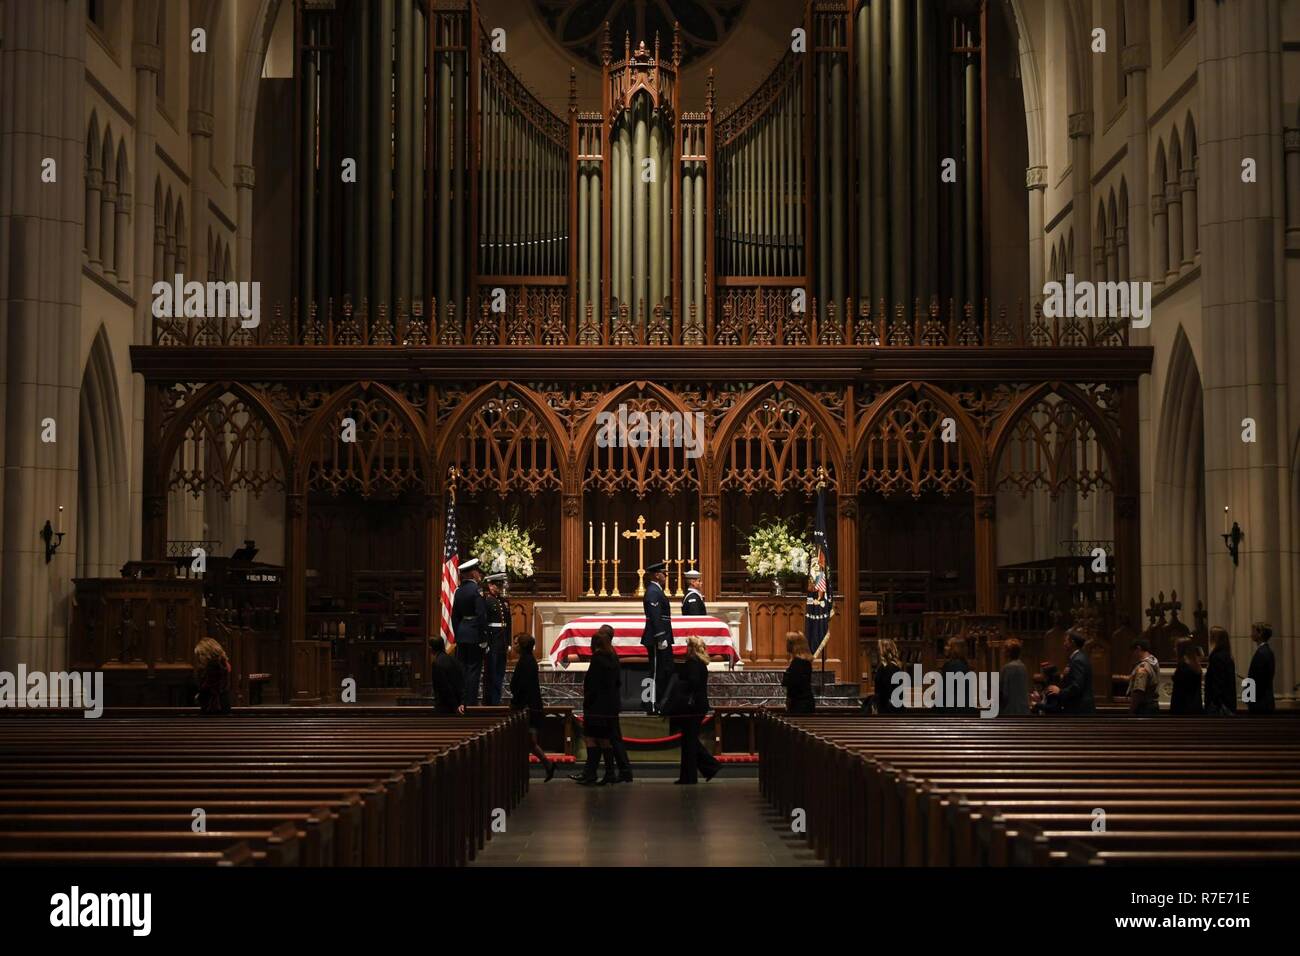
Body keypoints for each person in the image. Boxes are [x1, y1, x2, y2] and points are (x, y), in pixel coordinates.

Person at [572, 626, 623, 786]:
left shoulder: (597, 659)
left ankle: (591, 773)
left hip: (596, 706)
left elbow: (592, 684)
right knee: (605, 740)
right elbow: (617, 682)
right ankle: (609, 773)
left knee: (591, 739)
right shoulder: (613, 657)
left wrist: (587, 700)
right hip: (610, 705)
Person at [668, 635, 720, 784]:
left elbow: (693, 682)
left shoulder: (692, 663)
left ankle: (697, 773)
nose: (686, 649)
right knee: (689, 741)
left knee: (689, 742)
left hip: (692, 707)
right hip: (698, 705)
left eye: (687, 646)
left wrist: (679, 684)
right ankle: (697, 772)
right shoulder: (700, 663)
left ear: (691, 648)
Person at [509, 634, 555, 780]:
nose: (513, 645)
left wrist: (516, 703)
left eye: (516, 643)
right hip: (530, 705)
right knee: (528, 742)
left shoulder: (526, 662)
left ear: (521, 646)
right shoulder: (527, 660)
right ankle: (546, 764)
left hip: (527, 707)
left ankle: (524, 771)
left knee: (526, 741)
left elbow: (522, 686)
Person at [451, 557, 488, 706]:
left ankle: (461, 701)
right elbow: (481, 616)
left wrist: (458, 633)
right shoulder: (476, 590)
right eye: (477, 571)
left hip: (462, 634)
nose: (479, 574)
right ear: (473, 574)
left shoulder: (458, 591)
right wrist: (483, 637)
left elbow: (455, 616)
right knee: (473, 670)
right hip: (474, 636)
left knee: (463, 669)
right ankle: (470, 703)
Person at [641, 560, 675, 714]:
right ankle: (650, 705)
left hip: (661, 636)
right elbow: (655, 616)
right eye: (663, 573)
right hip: (656, 638)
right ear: (656, 575)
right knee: (655, 672)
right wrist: (661, 637)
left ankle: (655, 703)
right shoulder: (653, 592)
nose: (665, 576)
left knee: (662, 671)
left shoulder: (657, 591)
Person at [1050, 629, 1095, 715]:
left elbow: (1077, 686)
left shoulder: (1078, 660)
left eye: (1066, 641)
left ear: (1072, 643)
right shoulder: (1079, 657)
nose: (1064, 643)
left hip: (1079, 708)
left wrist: (1060, 692)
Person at [482, 572, 510, 705]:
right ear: (490, 585)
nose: (499, 588)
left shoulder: (504, 602)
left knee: (500, 672)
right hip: (492, 642)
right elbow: (484, 623)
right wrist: (486, 642)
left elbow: (508, 624)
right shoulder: (487, 601)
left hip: (502, 642)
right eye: (496, 585)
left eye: (500, 585)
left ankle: (496, 700)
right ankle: (490, 701)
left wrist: (508, 642)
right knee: (491, 673)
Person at [1203, 626, 1236, 715]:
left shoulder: (1217, 657)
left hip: (1218, 704)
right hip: (1227, 701)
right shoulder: (1227, 655)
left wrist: (1214, 701)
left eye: (1211, 636)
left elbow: (1217, 681)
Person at [193, 637, 232, 715]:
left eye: (202, 654)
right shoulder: (222, 663)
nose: (200, 657)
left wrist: (199, 696)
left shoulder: (214, 666)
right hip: (221, 703)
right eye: (199, 655)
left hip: (214, 706)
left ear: (209, 653)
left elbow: (208, 687)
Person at [781, 631, 816, 714]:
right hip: (805, 702)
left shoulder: (798, 663)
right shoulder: (805, 662)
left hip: (799, 705)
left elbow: (793, 685)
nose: (786, 645)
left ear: (794, 645)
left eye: (788, 642)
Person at [429, 636, 465, 715]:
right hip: (458, 705)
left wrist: (455, 706)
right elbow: (461, 683)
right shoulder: (454, 660)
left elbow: (444, 687)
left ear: (431, 649)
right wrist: (461, 702)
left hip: (445, 707)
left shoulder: (437, 663)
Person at [940, 637, 976, 714]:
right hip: (964, 706)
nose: (945, 648)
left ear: (955, 649)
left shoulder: (952, 665)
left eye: (948, 645)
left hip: (953, 708)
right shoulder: (963, 664)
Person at [1126, 637, 1161, 715]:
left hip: (1144, 708)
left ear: (1138, 648)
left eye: (1133, 651)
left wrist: (1131, 710)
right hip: (1153, 705)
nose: (1133, 655)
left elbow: (1138, 691)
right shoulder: (1153, 661)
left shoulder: (1143, 667)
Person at [1170, 638, 1204, 715]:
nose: (1174, 649)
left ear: (1181, 649)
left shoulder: (1183, 667)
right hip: (1195, 706)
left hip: (1183, 708)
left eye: (1176, 647)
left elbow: (1181, 692)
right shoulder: (1195, 664)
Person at [1247, 622, 1276, 714]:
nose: (1251, 634)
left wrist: (1248, 698)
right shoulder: (1267, 651)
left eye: (1253, 631)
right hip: (1264, 701)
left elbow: (1257, 680)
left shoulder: (1262, 653)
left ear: (1260, 634)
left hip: (1260, 703)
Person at [872, 638, 905, 714]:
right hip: (896, 707)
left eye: (878, 649)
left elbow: (884, 692)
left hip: (887, 709)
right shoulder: (896, 667)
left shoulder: (885, 668)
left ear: (883, 651)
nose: (877, 652)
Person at [998, 638, 1030, 716]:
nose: (1002, 652)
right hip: (1023, 710)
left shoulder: (1007, 668)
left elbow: (1003, 692)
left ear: (1008, 652)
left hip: (1010, 710)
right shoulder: (1023, 666)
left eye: (1004, 650)